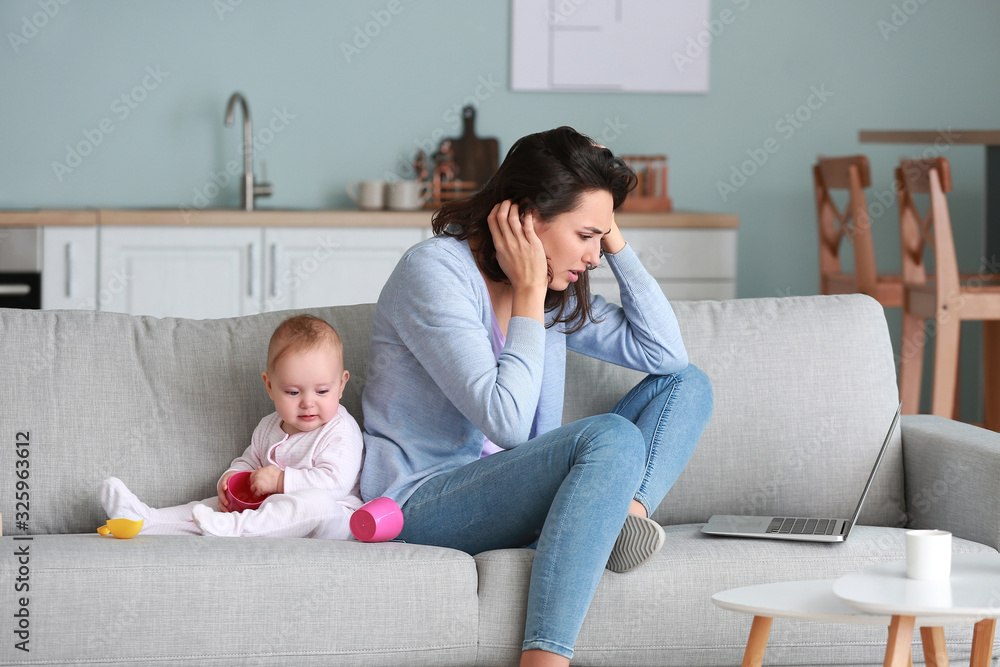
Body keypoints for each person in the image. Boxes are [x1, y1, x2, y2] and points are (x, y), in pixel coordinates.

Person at [360, 126, 714, 666]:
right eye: (587, 236)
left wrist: (612, 233)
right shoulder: (434, 272)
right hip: (422, 502)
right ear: (528, 218)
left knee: (688, 383)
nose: (595, 257)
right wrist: (527, 290)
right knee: (610, 437)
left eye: (603, 237)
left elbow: (666, 355)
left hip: (514, 494)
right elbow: (504, 420)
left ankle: (622, 517)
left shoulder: (555, 291)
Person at [99, 314, 364, 539]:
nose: (308, 403)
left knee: (315, 504)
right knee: (210, 507)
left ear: (341, 385)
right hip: (267, 507)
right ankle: (145, 520)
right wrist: (232, 478)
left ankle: (233, 529)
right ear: (270, 386)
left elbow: (336, 483)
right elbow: (249, 460)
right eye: (293, 392)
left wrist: (281, 480)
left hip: (334, 519)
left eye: (321, 391)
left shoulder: (339, 430)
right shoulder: (268, 426)